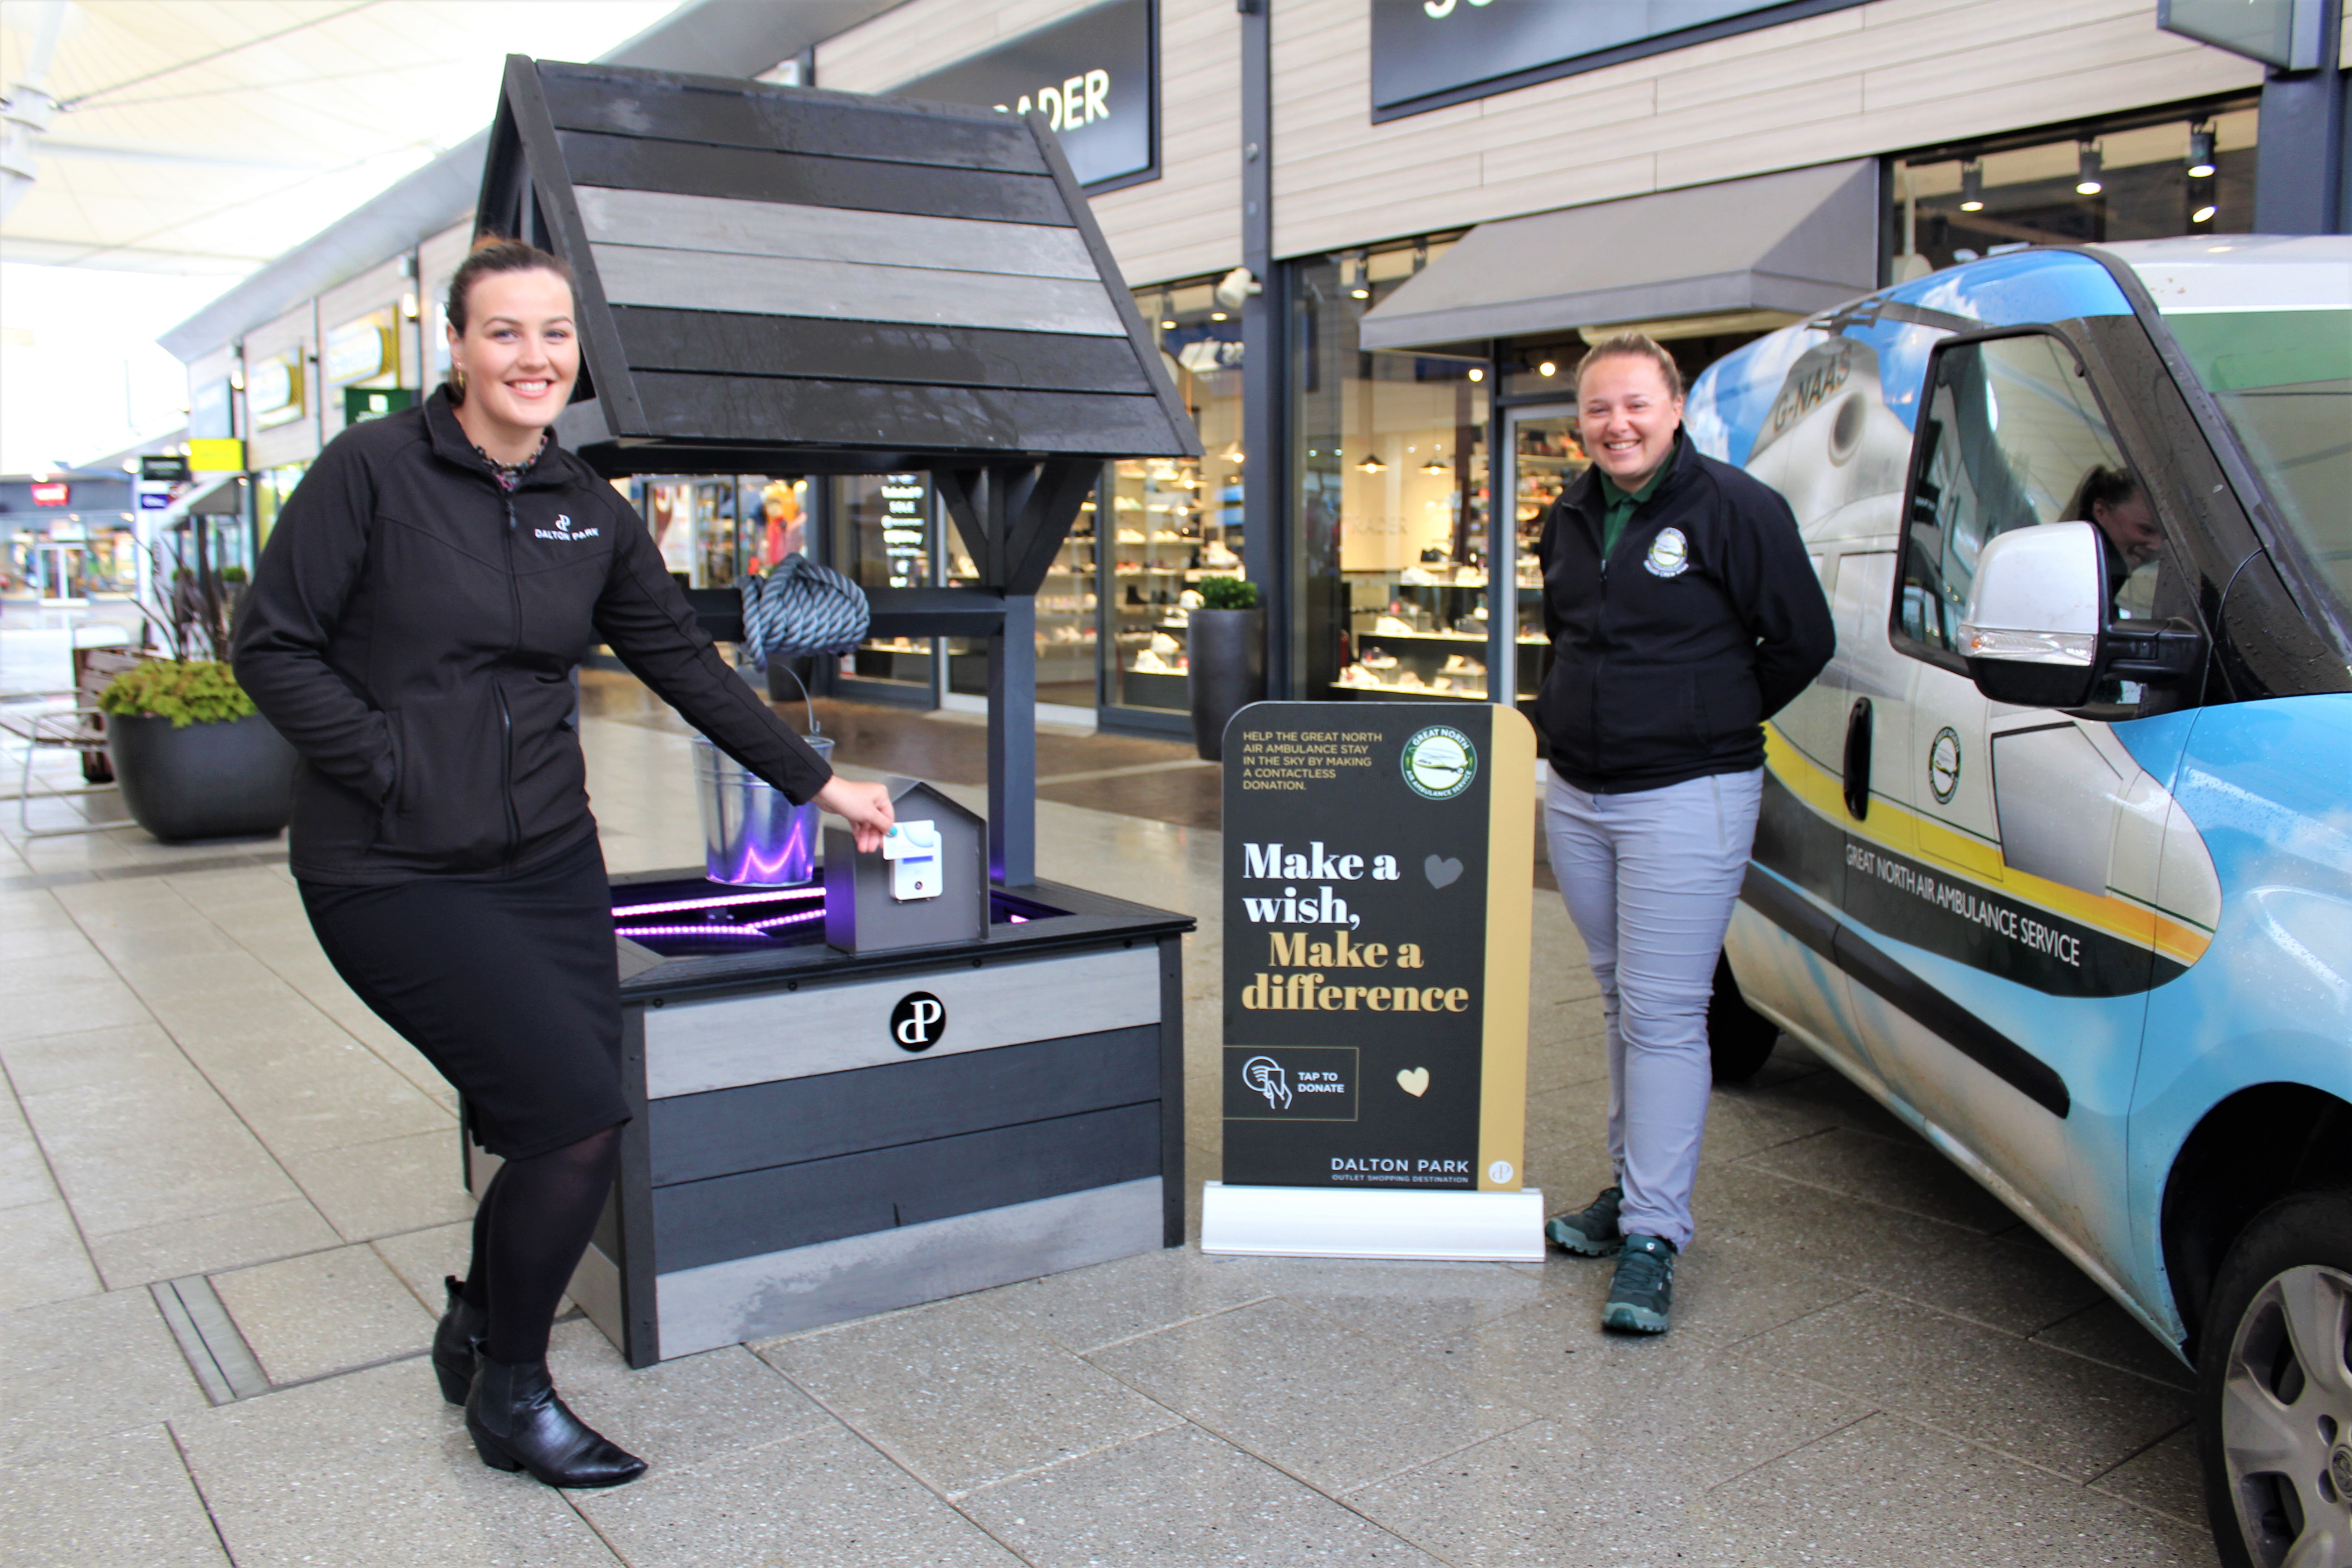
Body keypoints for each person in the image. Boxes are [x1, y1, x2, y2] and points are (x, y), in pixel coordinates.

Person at [232, 237, 894, 1487]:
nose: (533, 358)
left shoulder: (585, 502)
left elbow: (682, 662)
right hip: (388, 865)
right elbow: (271, 646)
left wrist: (817, 782)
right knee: (572, 1117)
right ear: (458, 345)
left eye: (554, 335)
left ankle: (480, 1321)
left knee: (565, 1113)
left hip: (544, 858)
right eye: (505, 333)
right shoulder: (372, 471)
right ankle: (513, 1394)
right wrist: (388, 763)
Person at [1534, 332, 1834, 1334]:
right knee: (1623, 998)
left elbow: (1803, 640)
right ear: (1579, 424)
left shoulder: (1738, 510)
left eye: (1634, 405)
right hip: (1578, 794)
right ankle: (1628, 1191)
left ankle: (1656, 1234)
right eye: (1596, 410)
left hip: (1687, 796)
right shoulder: (1568, 517)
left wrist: (1708, 717)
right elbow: (1569, 633)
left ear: (1673, 410)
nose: (1616, 425)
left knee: (1664, 1013)